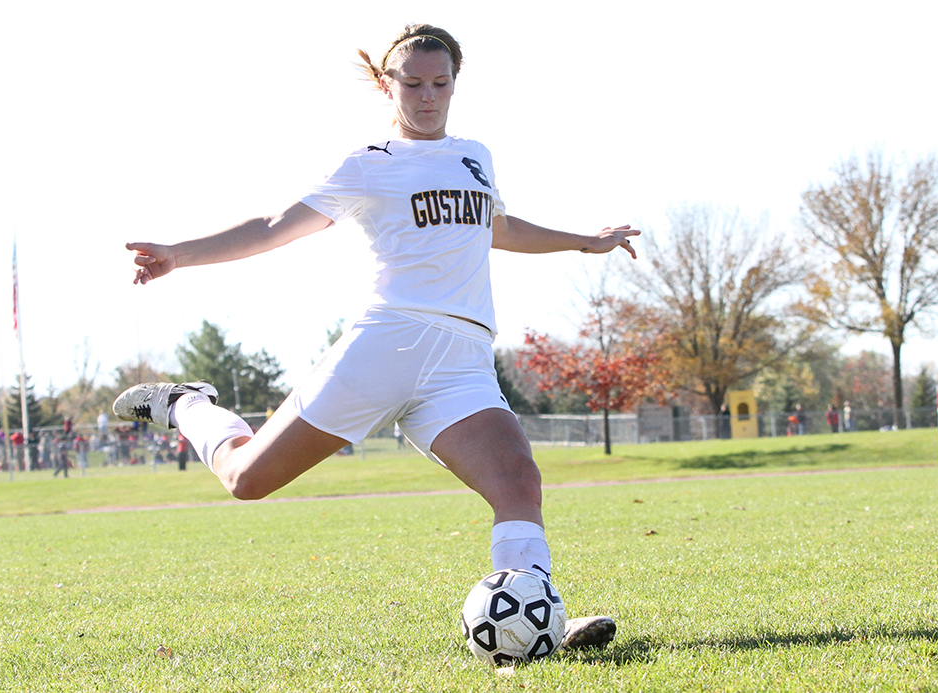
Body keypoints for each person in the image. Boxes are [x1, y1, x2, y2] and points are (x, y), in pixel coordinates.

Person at [112, 24, 635, 653]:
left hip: (463, 361)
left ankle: (537, 619)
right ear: (387, 86)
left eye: (440, 83)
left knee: (518, 480)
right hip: (387, 345)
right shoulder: (368, 165)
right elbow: (276, 225)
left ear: (454, 83)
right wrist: (180, 254)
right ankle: (190, 405)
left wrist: (584, 239)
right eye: (412, 84)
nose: (427, 96)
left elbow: (494, 227)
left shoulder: (476, 156)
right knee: (247, 479)